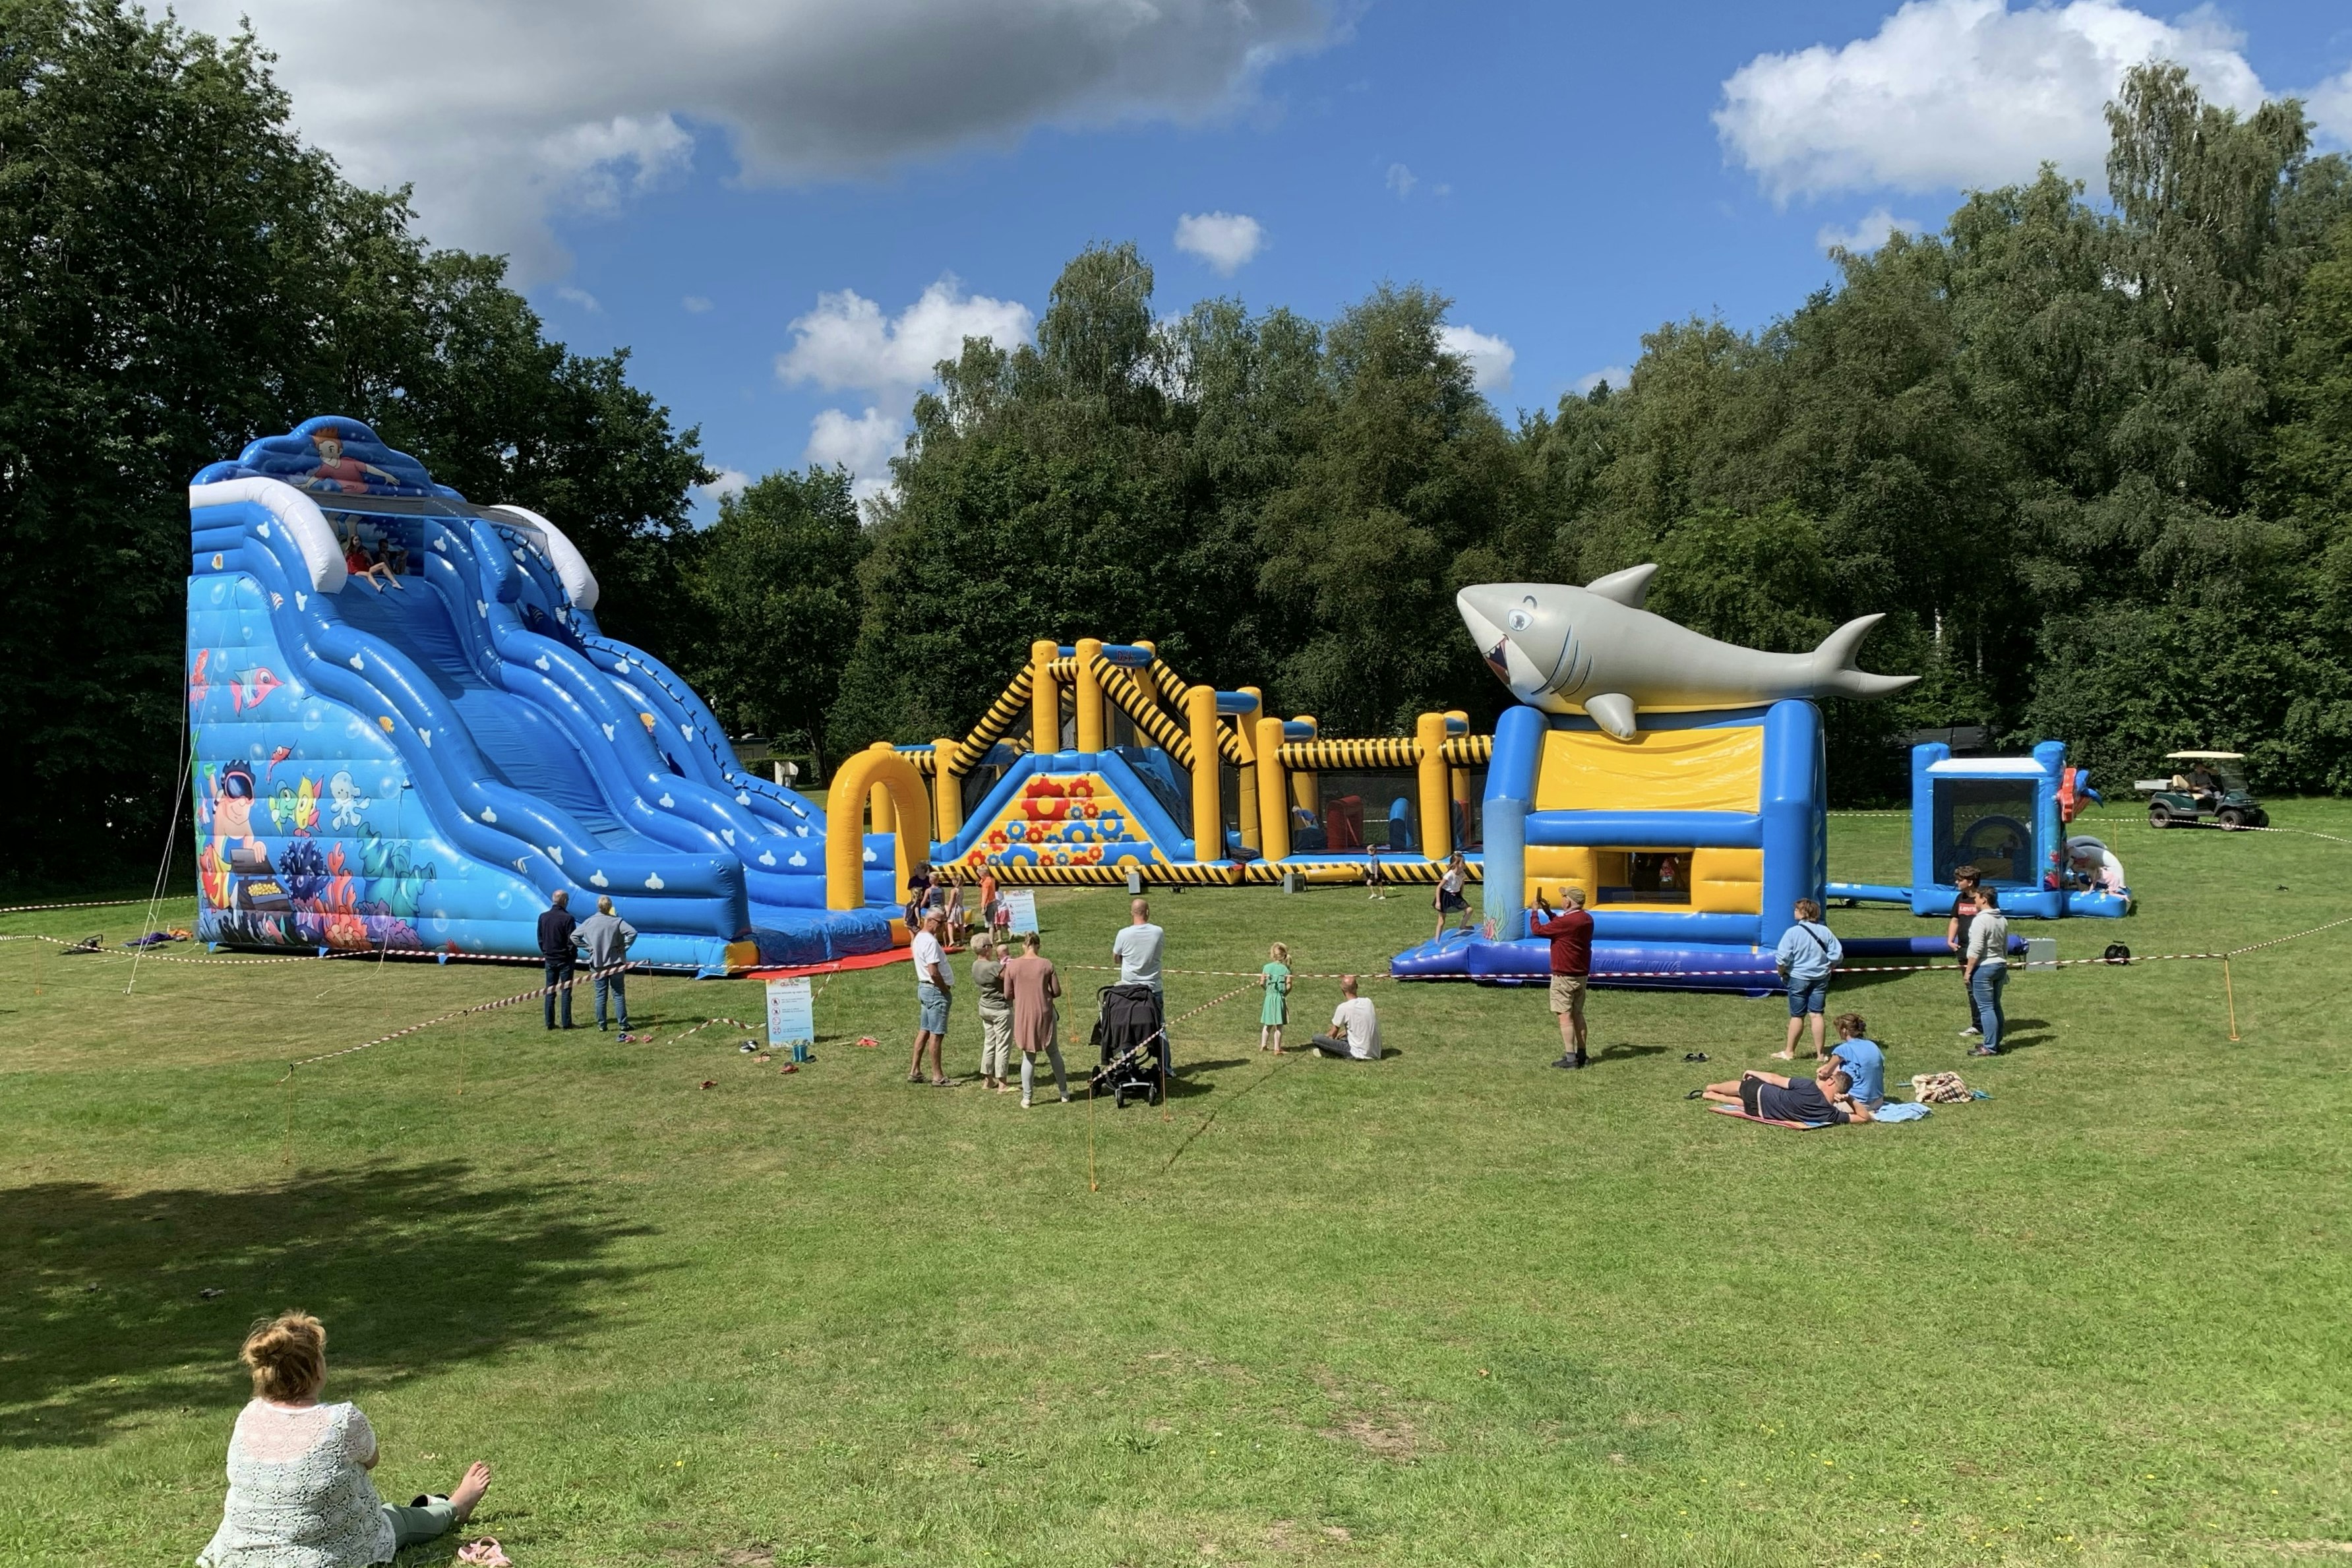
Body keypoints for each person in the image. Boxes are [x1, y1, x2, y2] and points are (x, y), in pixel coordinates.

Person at [197, 1311, 491, 1567]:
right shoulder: (341, 1420)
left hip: (240, 1555)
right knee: (396, 1519)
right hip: (328, 1553)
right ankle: (455, 1507)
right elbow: (371, 1460)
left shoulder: (249, 1415)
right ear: (316, 1371)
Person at [1001, 931, 1070, 1106]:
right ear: (1038, 945)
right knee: (1054, 1052)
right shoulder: (1046, 964)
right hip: (1046, 1012)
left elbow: (1008, 994)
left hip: (1024, 1013)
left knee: (1028, 1055)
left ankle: (1027, 1097)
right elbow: (1057, 991)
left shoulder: (1013, 966)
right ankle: (1064, 1093)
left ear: (1024, 946)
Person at [1530, 886, 1593, 1069]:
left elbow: (1538, 930)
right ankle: (1582, 1054)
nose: (1562, 899)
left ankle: (1570, 1058)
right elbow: (1563, 927)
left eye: (1564, 896)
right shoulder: (1586, 919)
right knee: (1578, 1014)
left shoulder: (1567, 922)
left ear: (1569, 901)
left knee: (1564, 1016)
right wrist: (1549, 912)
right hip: (1581, 974)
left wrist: (1535, 911)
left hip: (1564, 975)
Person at [1772, 899, 1842, 1061]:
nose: (1794, 911)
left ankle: (1789, 1052)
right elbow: (1837, 955)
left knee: (1797, 1016)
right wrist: (1829, 966)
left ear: (1804, 912)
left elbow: (1782, 959)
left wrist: (1781, 973)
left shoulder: (1792, 933)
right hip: (1820, 978)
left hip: (1797, 978)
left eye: (1797, 909)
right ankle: (1821, 1054)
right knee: (1817, 1015)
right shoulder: (1825, 932)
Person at [1697, 1066, 1873, 1124]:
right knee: (1742, 1101)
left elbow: (1774, 1079)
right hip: (1760, 1111)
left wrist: (1753, 1071)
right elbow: (1864, 1118)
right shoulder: (1830, 1114)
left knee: (1741, 1087)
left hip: (1759, 1093)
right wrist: (1849, 1098)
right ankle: (1711, 1096)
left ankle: (1711, 1087)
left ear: (1831, 1083)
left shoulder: (1809, 1087)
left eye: (1829, 1077)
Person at [572, 894, 637, 1034]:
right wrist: (625, 946)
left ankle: (602, 1024)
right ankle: (623, 1024)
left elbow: (574, 936)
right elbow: (633, 932)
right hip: (616, 963)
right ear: (610, 907)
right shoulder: (617, 921)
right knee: (618, 994)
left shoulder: (589, 922)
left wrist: (589, 948)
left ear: (598, 906)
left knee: (601, 995)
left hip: (598, 963)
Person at [907, 909, 953, 1086]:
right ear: (930, 921)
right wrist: (945, 989)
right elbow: (933, 971)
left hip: (924, 989)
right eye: (941, 922)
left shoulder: (919, 937)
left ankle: (915, 1070)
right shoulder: (931, 942)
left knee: (924, 1030)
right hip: (934, 990)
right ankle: (938, 1076)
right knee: (937, 1033)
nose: (943, 926)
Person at [1964, 886, 2010, 1056]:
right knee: (1996, 1005)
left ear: (1984, 899)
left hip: (1984, 967)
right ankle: (1995, 1043)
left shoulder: (1980, 920)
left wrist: (1968, 971)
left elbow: (1976, 948)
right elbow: (2005, 945)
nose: (1974, 900)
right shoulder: (2002, 919)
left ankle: (1989, 1047)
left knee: (1986, 1008)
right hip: (2000, 965)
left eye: (1976, 897)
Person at [1947, 865, 1987, 1040]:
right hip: (1962, 949)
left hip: (1978, 951)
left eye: (1959, 880)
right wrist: (1950, 940)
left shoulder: (1983, 900)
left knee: (1982, 987)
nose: (1956, 883)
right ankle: (1977, 1025)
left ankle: (1987, 1023)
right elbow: (1955, 919)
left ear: (1970, 882)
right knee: (1970, 988)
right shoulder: (1960, 898)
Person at [971, 934, 1013, 1092]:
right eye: (991, 945)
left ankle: (988, 1080)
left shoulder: (975, 965)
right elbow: (1009, 977)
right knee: (1002, 1045)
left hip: (985, 1007)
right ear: (986, 948)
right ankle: (1002, 1083)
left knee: (989, 1043)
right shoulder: (993, 967)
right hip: (1000, 1009)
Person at [1308, 974, 1381, 1060]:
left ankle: (1330, 1052)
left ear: (1342, 989)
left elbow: (1332, 1034)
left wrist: (1326, 1042)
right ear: (1357, 987)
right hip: (1375, 1052)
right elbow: (1360, 1025)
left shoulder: (1343, 1008)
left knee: (1317, 1038)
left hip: (1357, 1053)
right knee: (1343, 1038)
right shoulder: (1368, 1002)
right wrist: (1342, 1034)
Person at [1826, 1012, 1885, 1108]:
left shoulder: (1844, 1049)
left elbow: (1826, 1072)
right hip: (1878, 1101)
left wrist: (1821, 1071)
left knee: (1827, 1079)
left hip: (1856, 1103)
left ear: (1844, 1030)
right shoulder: (1873, 1045)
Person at [537, 890, 577, 1031]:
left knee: (550, 991)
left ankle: (550, 1022)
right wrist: (572, 955)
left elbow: (540, 939)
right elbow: (571, 941)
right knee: (566, 992)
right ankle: (566, 1022)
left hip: (550, 959)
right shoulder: (568, 919)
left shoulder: (543, 917)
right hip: (565, 960)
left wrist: (546, 953)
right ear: (565, 901)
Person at [1111, 897, 1164, 995]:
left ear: (1132, 913)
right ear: (1147, 912)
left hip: (1129, 989)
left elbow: (1116, 958)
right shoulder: (1158, 932)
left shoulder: (1123, 934)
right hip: (1153, 989)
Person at [338, 517, 402, 593]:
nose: (358, 542)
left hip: (366, 569)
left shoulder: (363, 551)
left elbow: (371, 563)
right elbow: (343, 562)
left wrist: (368, 557)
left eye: (359, 540)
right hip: (355, 572)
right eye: (356, 540)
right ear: (352, 542)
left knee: (383, 564)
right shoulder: (348, 552)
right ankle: (378, 587)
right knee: (368, 574)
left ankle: (394, 582)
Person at [1258, 941, 1292, 1053]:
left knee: (1268, 1024)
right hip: (1280, 998)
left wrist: (1267, 991)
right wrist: (1284, 994)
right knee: (1279, 1025)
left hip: (1269, 997)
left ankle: (1263, 1045)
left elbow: (1261, 982)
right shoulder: (1286, 970)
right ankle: (1277, 1048)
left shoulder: (1266, 967)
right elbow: (1289, 985)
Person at [1433, 851, 1472, 939]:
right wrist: (1438, 902)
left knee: (1469, 910)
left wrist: (1461, 897)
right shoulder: (1449, 875)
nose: (1465, 864)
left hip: (1456, 895)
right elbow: (1439, 888)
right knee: (1442, 921)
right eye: (1463, 863)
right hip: (1445, 897)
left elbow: (1462, 885)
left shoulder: (1462, 874)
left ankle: (1463, 926)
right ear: (1456, 864)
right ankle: (1437, 941)